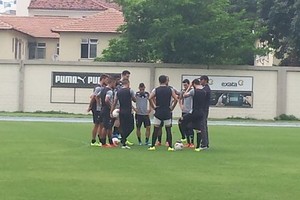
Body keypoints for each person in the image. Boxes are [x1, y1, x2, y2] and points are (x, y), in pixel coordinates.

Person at [148, 75, 178, 151]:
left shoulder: (156, 89)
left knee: (156, 129)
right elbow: (176, 99)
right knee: (168, 129)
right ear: (166, 81)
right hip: (167, 111)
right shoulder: (170, 89)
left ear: (159, 81)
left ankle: (152, 146)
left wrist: (154, 107)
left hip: (158, 111)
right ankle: (170, 147)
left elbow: (150, 98)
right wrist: (172, 107)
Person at [180, 79, 207, 151]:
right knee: (198, 130)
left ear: (194, 84)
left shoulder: (193, 91)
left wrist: (189, 87)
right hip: (201, 113)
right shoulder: (204, 91)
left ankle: (184, 137)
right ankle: (197, 147)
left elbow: (184, 95)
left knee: (181, 120)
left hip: (194, 112)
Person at [111, 79, 136, 149]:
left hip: (121, 111)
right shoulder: (130, 91)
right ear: (128, 83)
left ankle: (123, 143)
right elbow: (135, 100)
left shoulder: (118, 92)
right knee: (131, 127)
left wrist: (111, 111)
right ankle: (123, 139)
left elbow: (115, 102)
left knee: (123, 127)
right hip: (128, 111)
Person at [87, 74, 109, 147]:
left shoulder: (102, 87)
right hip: (97, 109)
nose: (107, 81)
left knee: (101, 124)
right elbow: (94, 97)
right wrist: (91, 106)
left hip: (100, 109)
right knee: (97, 124)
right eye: (106, 79)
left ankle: (100, 140)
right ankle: (93, 141)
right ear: (103, 79)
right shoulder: (98, 88)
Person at [99, 77, 117, 147]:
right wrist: (111, 107)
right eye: (114, 83)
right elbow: (107, 99)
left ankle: (111, 142)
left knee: (109, 127)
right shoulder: (109, 91)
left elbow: (98, 96)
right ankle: (103, 143)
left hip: (103, 108)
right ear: (112, 83)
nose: (115, 84)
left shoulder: (103, 89)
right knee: (105, 127)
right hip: (107, 110)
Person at [179, 79, 194, 148]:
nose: (184, 86)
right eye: (184, 85)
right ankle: (187, 142)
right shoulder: (183, 91)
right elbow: (180, 98)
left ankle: (192, 143)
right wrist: (181, 105)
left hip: (190, 111)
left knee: (190, 127)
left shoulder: (192, 91)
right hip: (184, 111)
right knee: (183, 126)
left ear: (188, 84)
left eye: (186, 85)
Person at [200, 75, 211, 148]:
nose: (200, 81)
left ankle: (204, 143)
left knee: (202, 126)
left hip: (204, 110)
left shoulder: (206, 89)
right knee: (203, 126)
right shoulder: (205, 89)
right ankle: (205, 142)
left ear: (205, 80)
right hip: (204, 109)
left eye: (201, 80)